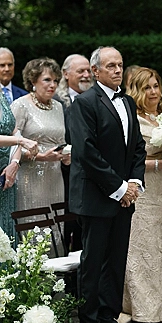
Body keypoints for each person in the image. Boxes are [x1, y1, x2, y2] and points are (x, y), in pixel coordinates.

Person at [68, 46, 146, 323]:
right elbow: (86, 152)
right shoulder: (84, 104)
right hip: (96, 196)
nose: (117, 70)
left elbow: (137, 146)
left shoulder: (126, 101)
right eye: (110, 66)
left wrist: (135, 183)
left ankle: (108, 320)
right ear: (95, 70)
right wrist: (118, 187)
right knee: (93, 262)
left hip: (124, 196)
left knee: (116, 261)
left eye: (120, 65)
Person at [123, 67, 162, 323]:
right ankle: (142, 311)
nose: (153, 92)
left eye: (156, 86)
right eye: (147, 87)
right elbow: (129, 161)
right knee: (140, 249)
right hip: (143, 190)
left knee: (160, 247)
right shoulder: (132, 119)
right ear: (137, 91)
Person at [11, 58, 69, 213]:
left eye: (56, 81)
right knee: (33, 229)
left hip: (55, 178)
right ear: (33, 81)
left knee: (55, 226)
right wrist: (40, 156)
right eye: (47, 80)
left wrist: (67, 155)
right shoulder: (20, 105)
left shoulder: (58, 106)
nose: (53, 85)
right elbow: (10, 146)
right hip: (29, 178)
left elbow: (61, 141)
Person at [54, 53, 93, 251]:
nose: (86, 75)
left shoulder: (98, 98)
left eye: (88, 70)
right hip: (63, 177)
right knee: (65, 226)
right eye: (81, 71)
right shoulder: (55, 101)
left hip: (91, 176)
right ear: (66, 74)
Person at [0, 93, 38, 245]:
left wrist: (15, 162)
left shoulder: (1, 95)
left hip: (6, 173)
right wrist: (20, 141)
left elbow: (15, 130)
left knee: (7, 227)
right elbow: (18, 138)